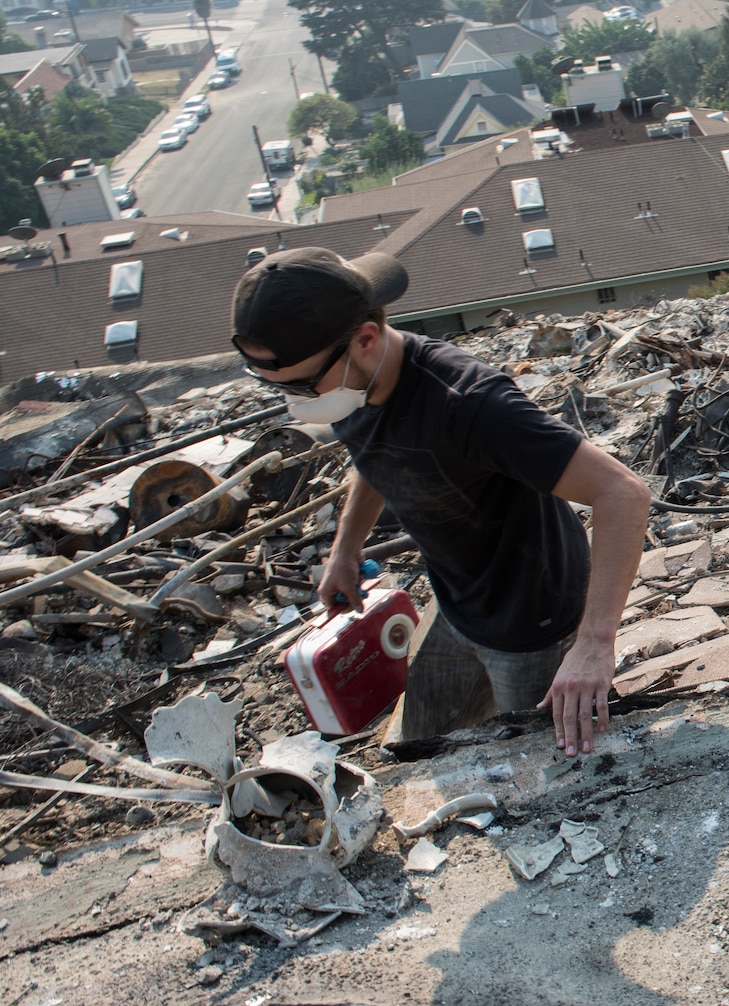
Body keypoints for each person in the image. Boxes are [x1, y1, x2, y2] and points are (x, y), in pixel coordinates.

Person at [230, 248, 652, 755]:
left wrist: (593, 645)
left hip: (531, 621)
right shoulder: (353, 386)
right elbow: (374, 453)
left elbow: (622, 493)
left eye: (301, 386)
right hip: (454, 605)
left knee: (550, 766)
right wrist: (346, 549)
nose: (297, 404)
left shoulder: (468, 403)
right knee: (419, 748)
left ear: (364, 339)